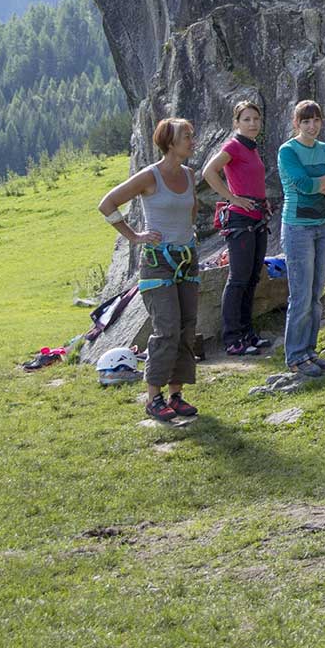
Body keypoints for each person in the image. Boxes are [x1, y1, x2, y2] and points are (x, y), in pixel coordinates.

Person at [96, 117, 202, 423]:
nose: (191, 141)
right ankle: (153, 397)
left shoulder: (189, 174)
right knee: (167, 327)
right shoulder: (149, 177)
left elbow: (192, 210)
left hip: (186, 258)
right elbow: (107, 204)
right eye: (186, 136)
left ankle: (176, 394)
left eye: (191, 136)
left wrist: (186, 231)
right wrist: (135, 236)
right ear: (169, 142)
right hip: (157, 263)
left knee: (186, 327)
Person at [276, 100, 325, 378]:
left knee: (317, 293)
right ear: (296, 124)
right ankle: (295, 356)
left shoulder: (324, 149)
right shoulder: (288, 151)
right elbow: (303, 185)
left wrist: (323, 182)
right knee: (301, 294)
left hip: (322, 225)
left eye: (316, 120)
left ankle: (309, 351)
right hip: (297, 228)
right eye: (305, 121)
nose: (312, 125)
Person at [201, 99, 274, 357]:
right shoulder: (233, 145)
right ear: (236, 123)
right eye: (246, 119)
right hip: (240, 219)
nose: (252, 123)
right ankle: (233, 339)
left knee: (252, 277)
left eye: (256, 119)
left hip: (256, 218)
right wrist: (232, 197)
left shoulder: (251, 148)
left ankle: (247, 333)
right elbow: (209, 171)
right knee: (238, 278)